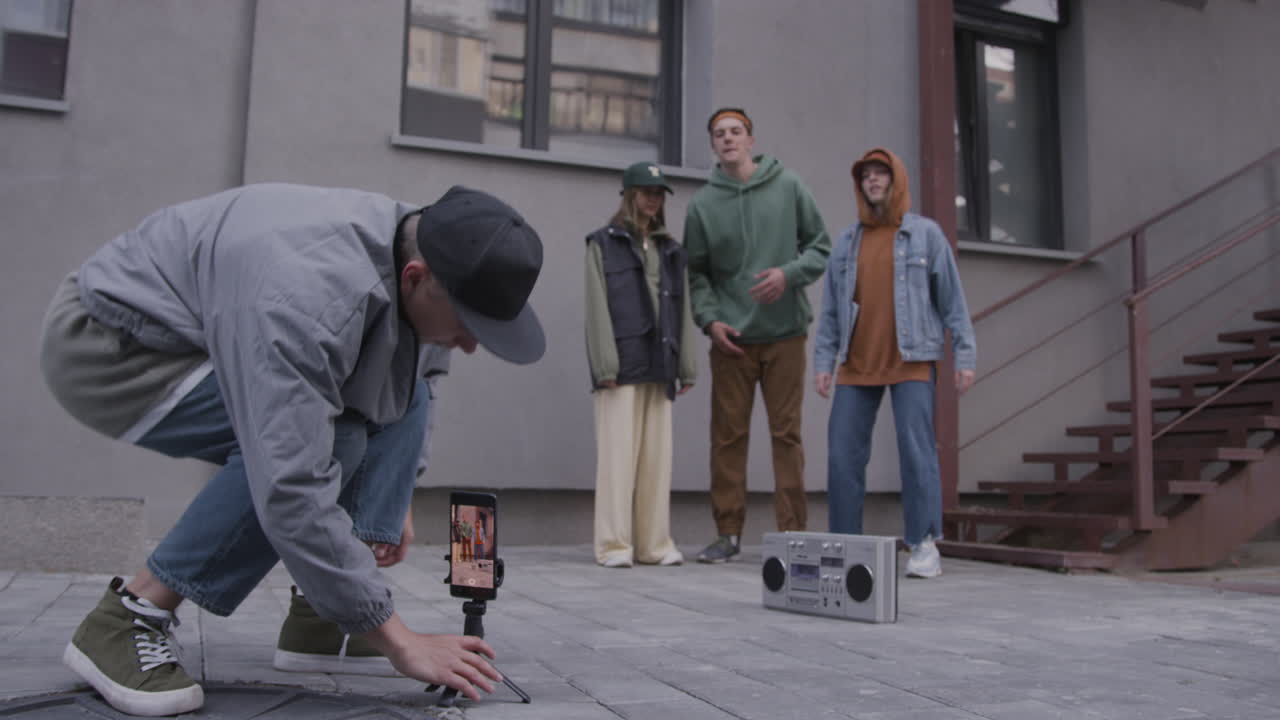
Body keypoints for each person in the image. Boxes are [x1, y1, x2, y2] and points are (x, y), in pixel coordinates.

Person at [39, 182, 545, 716]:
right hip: (114, 344)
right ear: (415, 277)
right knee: (331, 441)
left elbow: (419, 381)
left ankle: (320, 620)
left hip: (222, 326)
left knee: (406, 394)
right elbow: (291, 482)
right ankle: (129, 617)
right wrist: (398, 639)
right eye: (468, 324)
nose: (471, 345)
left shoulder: (427, 247)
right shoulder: (307, 300)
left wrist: (394, 498)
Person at [813, 148, 977, 579]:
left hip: (912, 359)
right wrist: (824, 361)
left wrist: (964, 355)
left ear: (896, 180)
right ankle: (845, 544)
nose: (872, 180)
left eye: (880, 173)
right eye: (865, 175)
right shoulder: (847, 242)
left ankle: (923, 543)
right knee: (843, 455)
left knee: (916, 451)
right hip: (856, 362)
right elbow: (830, 310)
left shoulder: (925, 235)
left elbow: (953, 302)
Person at [683, 108, 831, 563]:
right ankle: (727, 534)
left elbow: (820, 247)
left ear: (751, 140)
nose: (728, 139)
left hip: (785, 334)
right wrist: (710, 320)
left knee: (787, 435)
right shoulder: (702, 205)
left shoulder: (789, 186)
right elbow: (697, 273)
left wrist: (789, 274)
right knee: (727, 438)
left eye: (736, 132)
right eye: (719, 134)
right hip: (731, 341)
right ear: (713, 145)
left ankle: (793, 534)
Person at [585, 161, 697, 568]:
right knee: (616, 460)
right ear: (630, 194)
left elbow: (683, 308)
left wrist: (687, 366)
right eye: (647, 192)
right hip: (621, 366)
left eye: (659, 193)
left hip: (660, 362)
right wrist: (605, 365)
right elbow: (596, 307)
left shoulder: (672, 251)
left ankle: (654, 545)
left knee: (656, 462)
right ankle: (613, 546)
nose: (654, 200)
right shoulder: (602, 243)